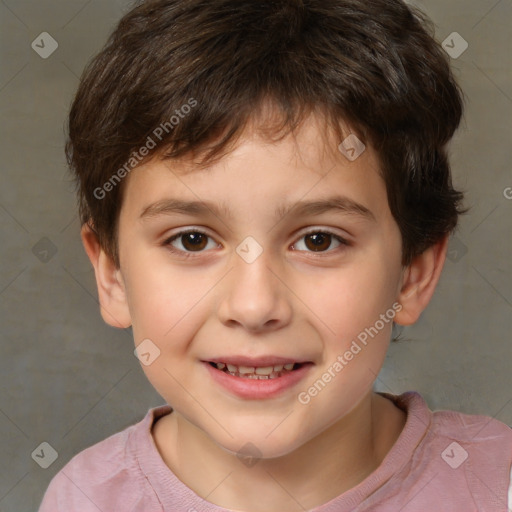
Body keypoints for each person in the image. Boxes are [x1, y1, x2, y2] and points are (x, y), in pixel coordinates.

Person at [39, 0, 512, 510]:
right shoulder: (84, 498)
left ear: (412, 273)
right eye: (192, 240)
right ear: (112, 274)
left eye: (318, 240)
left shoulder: (494, 485)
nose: (254, 306)